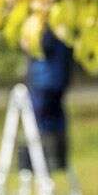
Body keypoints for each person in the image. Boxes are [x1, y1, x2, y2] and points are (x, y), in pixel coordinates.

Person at [20, 30, 75, 177]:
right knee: (54, 117)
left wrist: (27, 43)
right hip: (58, 78)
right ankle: (57, 157)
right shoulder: (62, 19)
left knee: (39, 119)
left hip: (43, 80)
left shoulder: (43, 23)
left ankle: (42, 161)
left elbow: (42, 44)